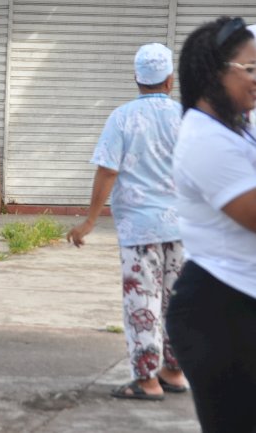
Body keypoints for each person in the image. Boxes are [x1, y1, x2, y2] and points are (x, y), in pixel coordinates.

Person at [67, 43, 187, 400]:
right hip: (182, 227)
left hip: (139, 229)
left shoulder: (121, 117)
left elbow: (107, 169)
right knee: (176, 300)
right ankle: (175, 371)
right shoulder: (187, 116)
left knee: (143, 302)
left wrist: (89, 220)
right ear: (170, 80)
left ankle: (147, 380)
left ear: (136, 77)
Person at [166, 17, 256, 431]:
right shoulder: (205, 138)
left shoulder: (236, 127)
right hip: (221, 313)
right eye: (250, 69)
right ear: (213, 72)